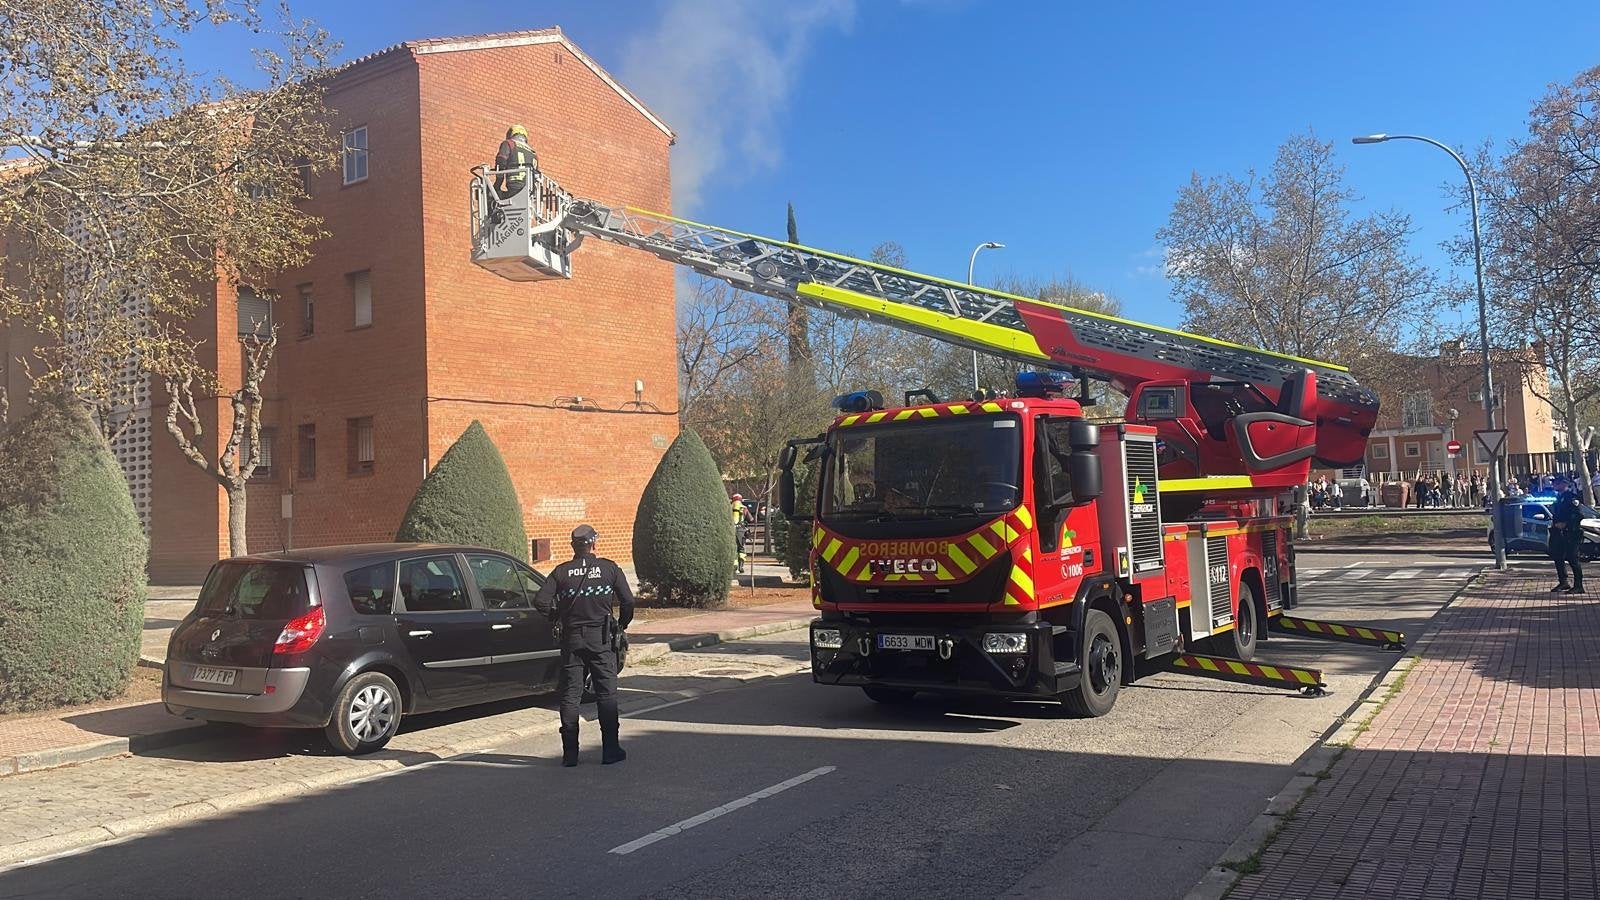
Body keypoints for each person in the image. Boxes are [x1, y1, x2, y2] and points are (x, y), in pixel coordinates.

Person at [533, 524, 635, 766]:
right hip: (601, 639)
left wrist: (557, 615)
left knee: (570, 696)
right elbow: (628, 601)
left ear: (573, 546)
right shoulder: (609, 569)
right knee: (606, 695)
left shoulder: (561, 572)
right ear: (594, 544)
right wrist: (621, 624)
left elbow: (540, 601)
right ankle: (610, 750)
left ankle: (570, 754)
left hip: (572, 640)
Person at [1549, 476, 1586, 594]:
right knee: (1558, 556)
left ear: (1565, 484)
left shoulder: (1571, 498)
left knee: (1573, 558)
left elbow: (1578, 515)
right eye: (1554, 483)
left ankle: (1579, 586)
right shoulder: (1558, 498)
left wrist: (1566, 524)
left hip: (1571, 532)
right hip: (1559, 533)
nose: (1555, 485)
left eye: (1557, 483)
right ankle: (1563, 581)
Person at [493, 124, 539, 199]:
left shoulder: (509, 143)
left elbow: (501, 161)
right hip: (530, 189)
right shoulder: (533, 153)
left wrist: (497, 184)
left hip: (514, 183)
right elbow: (536, 174)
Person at [731, 493, 753, 565]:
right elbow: (751, 519)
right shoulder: (744, 508)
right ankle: (741, 565)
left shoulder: (729, 507)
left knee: (733, 547)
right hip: (741, 530)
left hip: (731, 530)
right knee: (741, 547)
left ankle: (735, 565)